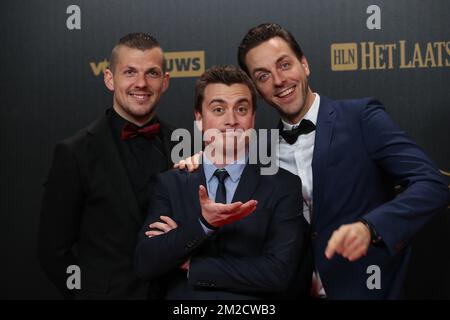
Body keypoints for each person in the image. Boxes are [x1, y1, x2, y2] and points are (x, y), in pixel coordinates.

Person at [178, 23, 449, 299]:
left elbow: (432, 184)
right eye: (263, 75)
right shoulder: (261, 149)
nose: (279, 80)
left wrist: (371, 227)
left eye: (284, 65)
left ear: (304, 64)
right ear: (257, 89)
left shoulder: (361, 118)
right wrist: (203, 158)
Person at [134, 65, 312, 299]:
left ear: (253, 117)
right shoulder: (170, 184)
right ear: (199, 118)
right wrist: (203, 224)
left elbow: (278, 274)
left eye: (241, 109)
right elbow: (146, 262)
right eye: (218, 109)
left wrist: (190, 263)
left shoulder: (282, 185)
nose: (231, 120)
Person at [38, 32, 174, 299]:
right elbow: (53, 251)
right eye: (130, 72)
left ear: (165, 81)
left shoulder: (185, 146)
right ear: (110, 79)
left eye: (152, 73)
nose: (141, 83)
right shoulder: (74, 152)